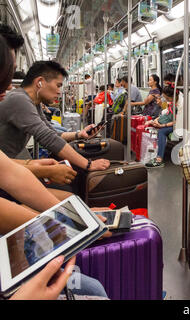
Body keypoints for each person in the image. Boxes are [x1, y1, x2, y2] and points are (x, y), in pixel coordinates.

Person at [0, 34, 109, 300]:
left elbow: (8, 170)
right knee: (92, 290)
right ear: (40, 83)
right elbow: (45, 139)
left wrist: (74, 220)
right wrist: (69, 223)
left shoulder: (29, 102)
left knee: (69, 203)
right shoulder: (17, 100)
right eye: (1, 81)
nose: (3, 92)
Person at [0, 60, 110, 173]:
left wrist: (79, 134)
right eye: (58, 86)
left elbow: (51, 132)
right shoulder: (19, 99)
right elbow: (48, 138)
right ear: (40, 82)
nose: (59, 92)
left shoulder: (34, 102)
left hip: (9, 164)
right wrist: (88, 164)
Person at [144, 84, 180, 168]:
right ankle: (151, 155)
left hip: (177, 124)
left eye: (167, 98)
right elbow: (166, 114)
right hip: (167, 121)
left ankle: (159, 159)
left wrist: (162, 125)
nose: (166, 101)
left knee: (162, 131)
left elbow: (177, 121)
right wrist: (156, 120)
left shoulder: (180, 105)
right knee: (150, 125)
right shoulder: (171, 103)